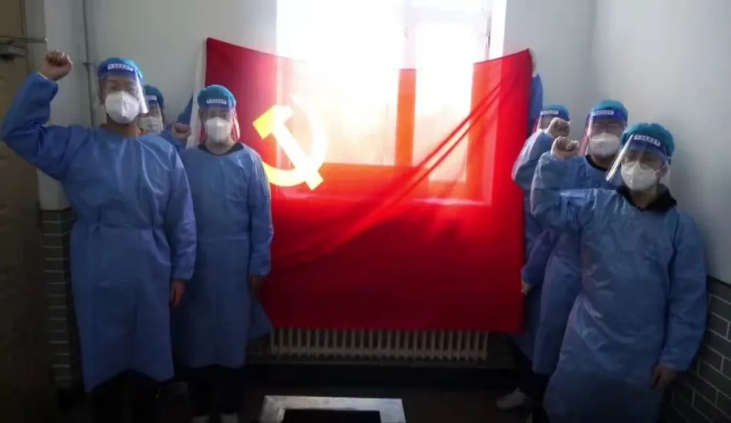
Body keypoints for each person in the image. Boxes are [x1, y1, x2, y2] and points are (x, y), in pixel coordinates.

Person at [1, 50, 197, 423]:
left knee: (148, 368)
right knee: (104, 368)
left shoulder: (162, 154)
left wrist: (182, 273)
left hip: (150, 271)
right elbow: (17, 132)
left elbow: (182, 219)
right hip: (98, 268)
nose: (120, 94)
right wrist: (45, 80)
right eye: (111, 87)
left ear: (141, 97)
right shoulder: (77, 146)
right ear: (99, 96)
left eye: (128, 87)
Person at [531, 123, 707, 422]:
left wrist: (674, 358)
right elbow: (546, 208)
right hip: (586, 343)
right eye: (631, 156)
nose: (637, 164)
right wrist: (553, 162)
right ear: (621, 159)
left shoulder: (681, 228)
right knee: (569, 409)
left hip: (641, 355)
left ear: (664, 167)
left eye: (648, 159)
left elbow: (687, 300)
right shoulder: (595, 205)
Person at [520, 100, 628, 422]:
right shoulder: (570, 166)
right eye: (599, 127)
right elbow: (546, 223)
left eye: (613, 127)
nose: (605, 134)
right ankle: (540, 409)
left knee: (589, 354)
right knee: (549, 342)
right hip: (565, 270)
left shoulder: (628, 182)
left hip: (606, 280)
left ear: (625, 131)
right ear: (587, 131)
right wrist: (531, 273)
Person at [172, 85, 273, 423]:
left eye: (222, 114)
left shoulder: (250, 161)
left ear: (233, 117)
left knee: (231, 341)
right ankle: (200, 409)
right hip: (195, 265)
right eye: (209, 114)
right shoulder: (186, 161)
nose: (216, 120)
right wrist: (178, 268)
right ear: (201, 118)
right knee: (196, 340)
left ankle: (230, 409)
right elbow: (176, 216)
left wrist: (259, 265)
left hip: (236, 267)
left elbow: (262, 220)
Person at [498, 105, 570, 413]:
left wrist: (531, 272)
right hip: (521, 263)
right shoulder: (528, 163)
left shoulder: (567, 169)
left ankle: (538, 402)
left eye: (555, 126)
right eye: (543, 124)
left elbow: (550, 234)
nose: (548, 130)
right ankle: (524, 390)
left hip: (548, 269)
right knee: (518, 330)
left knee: (543, 339)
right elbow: (523, 174)